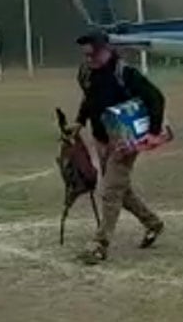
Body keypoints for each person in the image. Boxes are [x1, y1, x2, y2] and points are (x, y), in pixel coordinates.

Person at [70, 31, 166, 265]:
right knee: (122, 191)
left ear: (107, 50)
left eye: (93, 55)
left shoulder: (125, 73)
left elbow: (156, 98)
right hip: (102, 140)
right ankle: (153, 223)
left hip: (125, 142)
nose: (89, 60)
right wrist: (79, 122)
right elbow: (89, 99)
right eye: (86, 56)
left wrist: (153, 133)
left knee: (111, 190)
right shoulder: (86, 73)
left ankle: (100, 245)